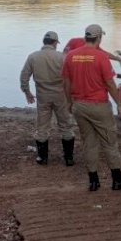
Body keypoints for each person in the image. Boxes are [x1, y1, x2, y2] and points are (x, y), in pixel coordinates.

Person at [62, 23, 121, 191]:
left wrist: (69, 102)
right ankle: (117, 179)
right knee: (109, 143)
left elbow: (66, 82)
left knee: (89, 143)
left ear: (86, 37)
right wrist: (119, 104)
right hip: (99, 105)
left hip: (79, 105)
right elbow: (110, 83)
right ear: (99, 38)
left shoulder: (71, 56)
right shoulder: (101, 56)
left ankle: (93, 181)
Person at [20, 31, 77, 166]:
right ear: (55, 43)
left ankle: (42, 157)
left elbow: (24, 77)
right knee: (66, 125)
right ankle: (68, 158)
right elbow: (71, 78)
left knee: (42, 126)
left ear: (44, 42)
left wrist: (27, 92)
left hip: (42, 95)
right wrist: (72, 97)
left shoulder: (33, 57)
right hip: (60, 95)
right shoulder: (62, 57)